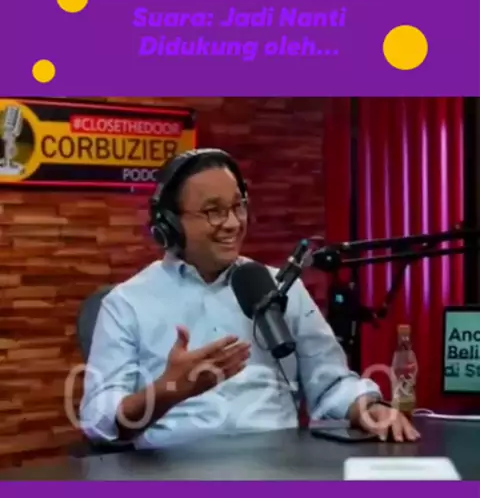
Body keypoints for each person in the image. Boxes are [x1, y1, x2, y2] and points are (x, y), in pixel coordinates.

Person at [80, 149, 420, 448]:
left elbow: (329, 382)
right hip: (173, 471)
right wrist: (168, 391)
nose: (232, 223)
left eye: (237, 206)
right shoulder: (127, 303)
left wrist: (369, 407)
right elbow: (98, 419)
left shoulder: (281, 287)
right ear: (169, 225)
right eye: (213, 211)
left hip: (279, 468)